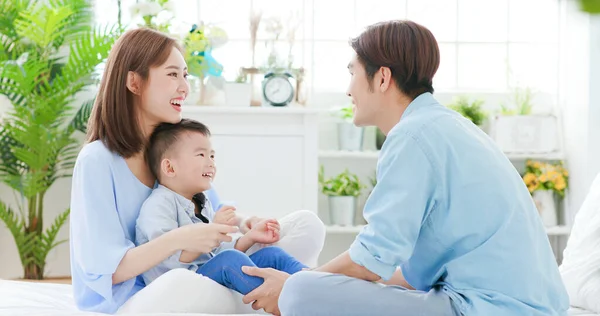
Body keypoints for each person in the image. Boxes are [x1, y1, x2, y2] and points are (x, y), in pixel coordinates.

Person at [239, 20, 570, 316]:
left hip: (486, 307)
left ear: (382, 77)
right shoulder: (445, 125)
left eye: (352, 72)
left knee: (300, 290)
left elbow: (369, 261)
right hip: (521, 304)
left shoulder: (412, 136)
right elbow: (405, 275)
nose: (348, 89)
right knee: (308, 284)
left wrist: (295, 285)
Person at [69, 27, 325, 314]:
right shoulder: (98, 161)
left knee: (305, 225)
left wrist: (244, 223)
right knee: (187, 281)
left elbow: (210, 215)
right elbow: (107, 271)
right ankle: (285, 298)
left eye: (185, 75)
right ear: (134, 82)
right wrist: (181, 239)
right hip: (141, 297)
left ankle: (312, 290)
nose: (184, 87)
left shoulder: (174, 149)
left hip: (202, 273)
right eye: (172, 74)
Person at [136, 118, 308, 294]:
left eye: (212, 156)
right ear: (170, 168)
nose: (210, 162)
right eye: (201, 155)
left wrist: (250, 237)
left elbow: (216, 252)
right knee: (230, 260)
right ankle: (282, 301)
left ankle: (315, 282)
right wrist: (212, 231)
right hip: (178, 284)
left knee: (272, 255)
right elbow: (167, 259)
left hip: (207, 273)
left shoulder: (201, 201)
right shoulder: (158, 206)